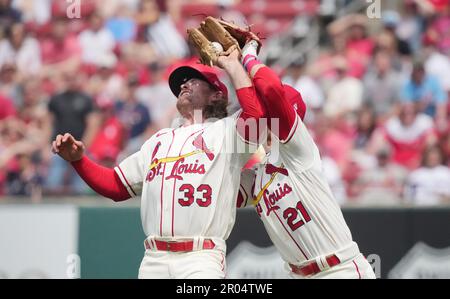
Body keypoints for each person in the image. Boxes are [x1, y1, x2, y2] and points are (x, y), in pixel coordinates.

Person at [51, 47, 266, 278]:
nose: (184, 85)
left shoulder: (226, 133)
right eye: (181, 83)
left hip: (201, 257)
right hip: (154, 259)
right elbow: (116, 185)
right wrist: (79, 161)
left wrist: (234, 64)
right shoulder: (158, 141)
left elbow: (256, 116)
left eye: (193, 81)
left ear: (216, 95)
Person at [237, 40, 376, 279]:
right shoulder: (258, 174)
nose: (264, 116)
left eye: (269, 112)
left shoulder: (300, 149)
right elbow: (226, 190)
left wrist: (247, 58)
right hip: (299, 274)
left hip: (339, 269)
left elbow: (270, 89)